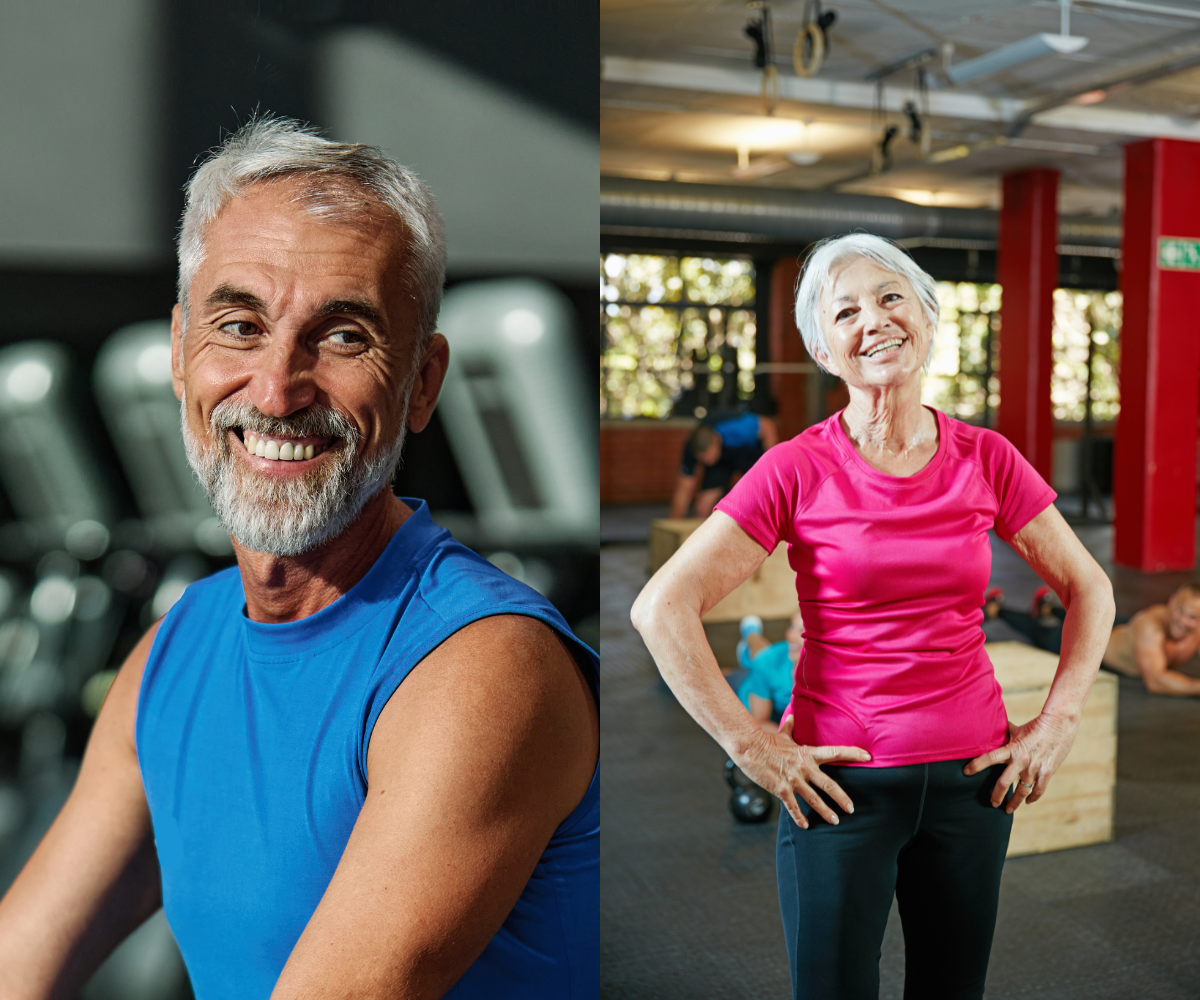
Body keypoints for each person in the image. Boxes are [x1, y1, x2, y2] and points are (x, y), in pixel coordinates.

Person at [0, 119, 599, 1000]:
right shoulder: (176, 649)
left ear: (423, 382)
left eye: (345, 336)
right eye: (239, 326)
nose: (278, 389)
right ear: (179, 353)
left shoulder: (481, 668)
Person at [631, 232, 1114, 1000]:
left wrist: (1058, 721)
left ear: (927, 317)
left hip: (974, 783)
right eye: (846, 310)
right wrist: (751, 743)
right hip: (839, 788)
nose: (875, 320)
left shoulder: (986, 457)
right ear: (825, 350)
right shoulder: (796, 466)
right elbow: (661, 606)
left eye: (892, 298)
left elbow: (1092, 588)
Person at [990, 583, 1200, 696]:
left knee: (1096, 615)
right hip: (1092, 650)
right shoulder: (1152, 630)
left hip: (1120, 630)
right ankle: (997, 610)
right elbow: (1155, 681)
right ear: (1171, 602)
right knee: (1044, 634)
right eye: (1180, 610)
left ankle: (1047, 609)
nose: (1182, 621)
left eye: (1192, 617)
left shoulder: (1193, 630)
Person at [669, 409, 778, 518]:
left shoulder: (737, 427)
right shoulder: (692, 447)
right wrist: (672, 526)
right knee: (703, 506)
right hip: (722, 461)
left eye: (710, 455)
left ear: (717, 439)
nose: (709, 461)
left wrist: (769, 468)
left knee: (753, 499)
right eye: (705, 460)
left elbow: (769, 427)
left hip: (749, 453)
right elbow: (684, 488)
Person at [731, 611, 805, 734]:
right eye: (792, 627)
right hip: (744, 688)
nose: (791, 636)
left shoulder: (832, 667)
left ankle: (747, 654)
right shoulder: (767, 662)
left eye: (802, 631)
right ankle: (751, 634)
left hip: (770, 667)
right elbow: (760, 722)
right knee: (760, 656)